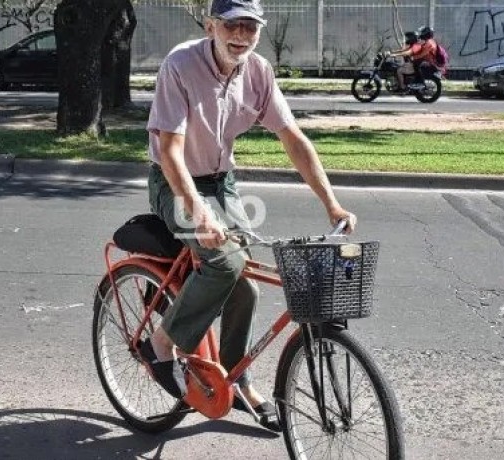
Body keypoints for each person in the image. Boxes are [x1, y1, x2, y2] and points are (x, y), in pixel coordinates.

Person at [140, 0, 358, 432]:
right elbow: (169, 151)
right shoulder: (181, 64)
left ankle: (234, 380)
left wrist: (331, 203)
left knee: (247, 288)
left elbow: (291, 136)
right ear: (211, 26)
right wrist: (198, 213)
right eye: (231, 26)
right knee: (223, 262)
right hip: (173, 180)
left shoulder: (257, 71)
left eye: (250, 28)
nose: (240, 36)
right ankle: (161, 343)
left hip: (223, 183)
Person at [390, 26, 436, 91]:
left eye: (408, 38)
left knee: (399, 70)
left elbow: (408, 53)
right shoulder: (420, 43)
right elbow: (404, 50)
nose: (407, 39)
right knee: (398, 66)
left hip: (420, 63)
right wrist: (392, 52)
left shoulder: (419, 45)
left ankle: (402, 87)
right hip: (417, 62)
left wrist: (395, 55)